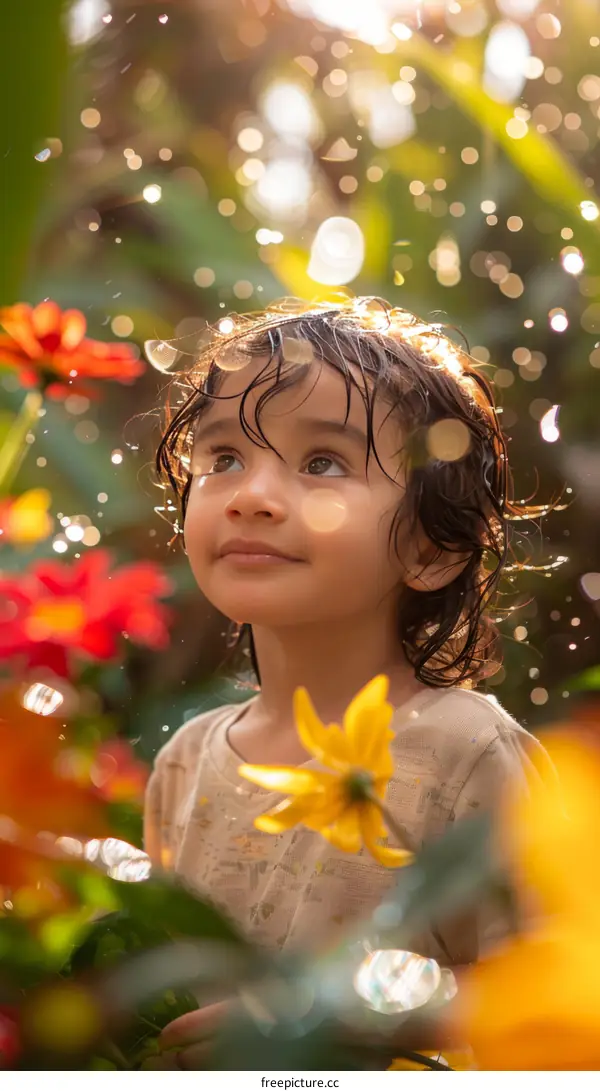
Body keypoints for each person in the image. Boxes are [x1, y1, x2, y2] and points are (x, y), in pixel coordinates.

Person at [144, 298, 553, 1066]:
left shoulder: (464, 754)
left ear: (432, 549)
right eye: (223, 457)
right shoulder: (185, 763)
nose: (250, 494)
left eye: (322, 463)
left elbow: (549, 988)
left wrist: (350, 1007)